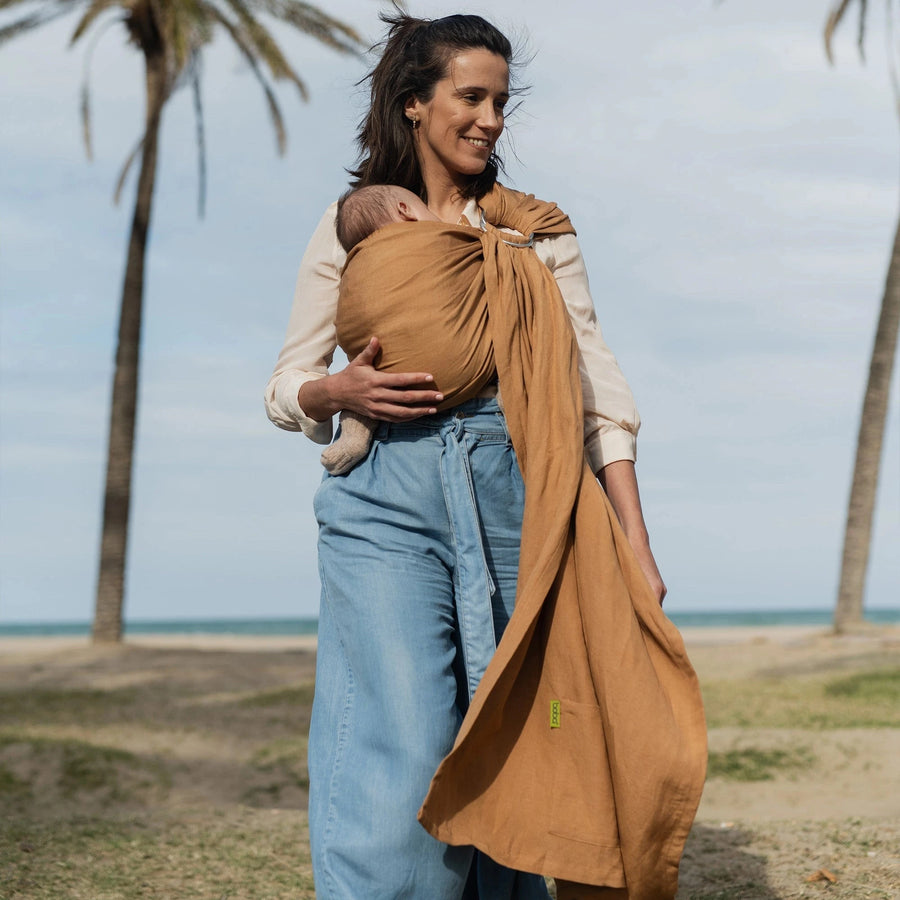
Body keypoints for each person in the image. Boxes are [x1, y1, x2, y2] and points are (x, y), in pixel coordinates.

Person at [265, 12, 706, 900]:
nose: (491, 118)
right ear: (414, 104)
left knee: (516, 735)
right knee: (401, 739)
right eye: (471, 97)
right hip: (386, 494)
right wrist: (334, 394)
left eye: (502, 101)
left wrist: (634, 539)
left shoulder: (536, 234)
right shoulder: (352, 230)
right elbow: (287, 382)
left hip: (521, 494)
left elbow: (594, 391)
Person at [321, 184, 441, 476]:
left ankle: (353, 437)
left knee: (366, 381)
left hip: (383, 366)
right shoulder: (437, 242)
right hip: (390, 391)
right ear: (405, 211)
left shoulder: (360, 269)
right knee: (363, 384)